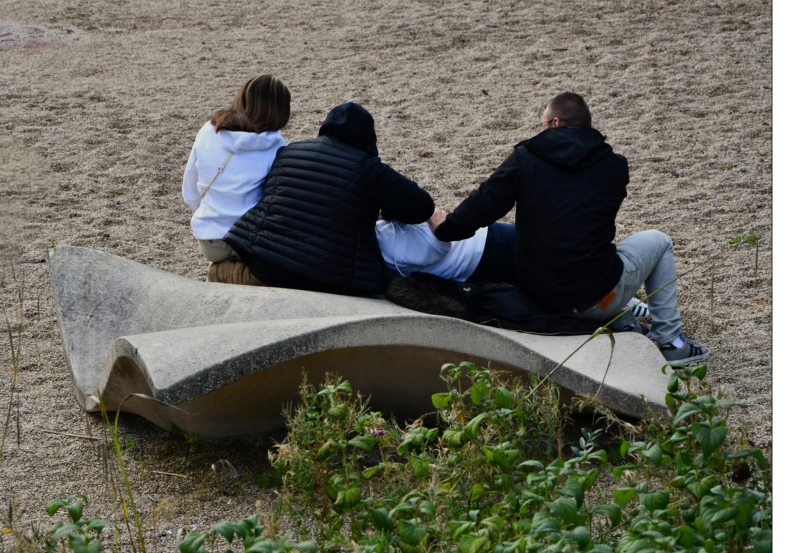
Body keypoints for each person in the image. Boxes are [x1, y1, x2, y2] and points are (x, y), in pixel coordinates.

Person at [430, 92, 709, 365]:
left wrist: (444, 229)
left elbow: (480, 207)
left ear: (555, 123)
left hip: (539, 298)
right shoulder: (614, 166)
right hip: (597, 299)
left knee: (552, 236)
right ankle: (671, 341)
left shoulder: (525, 159)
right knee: (656, 241)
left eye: (541, 124)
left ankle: (633, 326)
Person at [215, 102, 435, 296]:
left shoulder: (288, 153)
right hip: (336, 283)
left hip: (269, 271)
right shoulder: (369, 169)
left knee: (216, 272)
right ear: (369, 138)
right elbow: (423, 207)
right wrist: (386, 209)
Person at [182, 74, 291, 262]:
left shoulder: (209, 130)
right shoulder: (276, 144)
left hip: (210, 240)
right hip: (251, 241)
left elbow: (190, 191)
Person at [376, 216, 517, 285]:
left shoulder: (380, 240)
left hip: (476, 257)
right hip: (482, 250)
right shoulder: (385, 238)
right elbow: (440, 245)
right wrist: (435, 219)